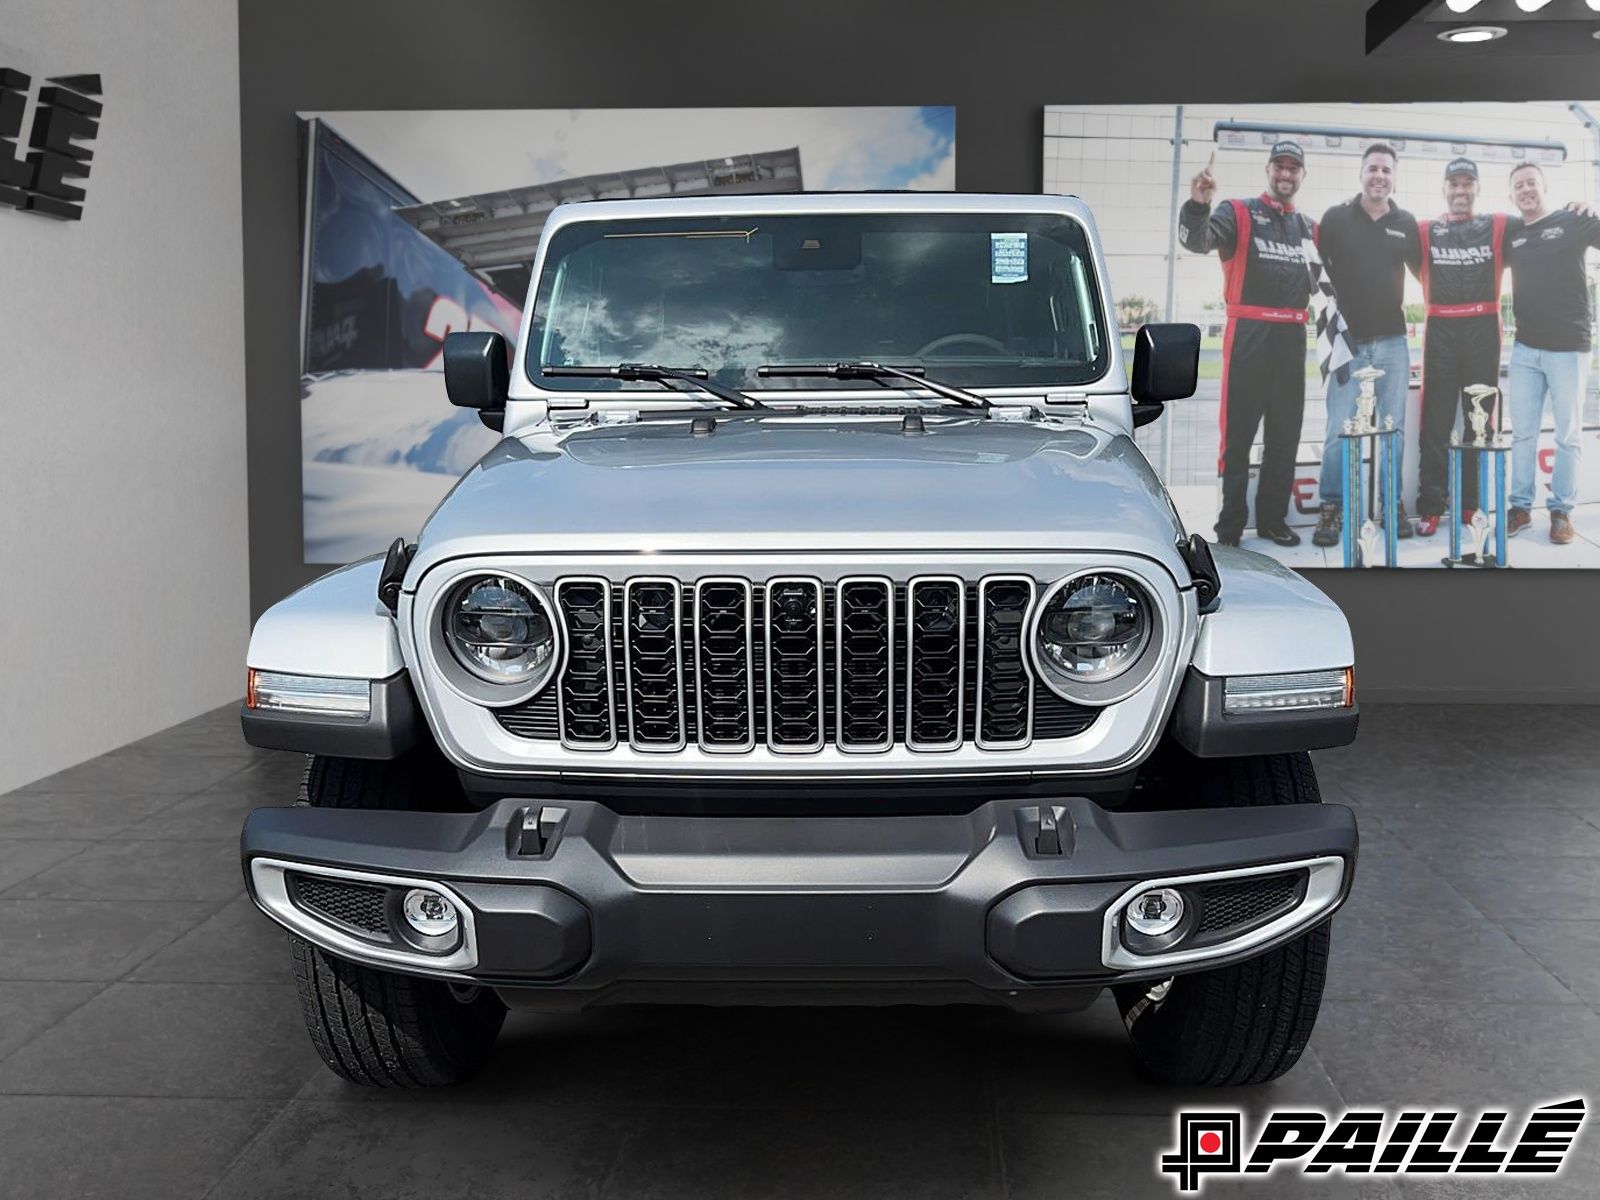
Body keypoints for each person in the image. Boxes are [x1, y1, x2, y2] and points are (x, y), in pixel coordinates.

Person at [1179, 141, 1315, 548]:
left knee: (1284, 435)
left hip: (1293, 339)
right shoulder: (1237, 211)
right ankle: (1231, 525)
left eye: (1294, 168)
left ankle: (1273, 519)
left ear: (1302, 175)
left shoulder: (1310, 227)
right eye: (1280, 166)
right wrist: (1198, 205)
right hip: (1249, 336)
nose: (1286, 174)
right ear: (1268, 170)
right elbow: (1197, 241)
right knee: (1237, 437)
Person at [1312, 143, 1421, 548]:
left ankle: (1390, 505)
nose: (1379, 176)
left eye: (1386, 170)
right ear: (1362, 173)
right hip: (1347, 341)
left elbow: (1429, 275)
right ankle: (1332, 505)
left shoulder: (1406, 222)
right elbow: (1314, 275)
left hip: (1393, 341)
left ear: (1394, 177)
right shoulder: (1336, 218)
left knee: (1391, 429)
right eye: (1373, 168)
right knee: (1339, 429)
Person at [1503, 162, 1600, 546]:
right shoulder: (1511, 234)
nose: (1526, 189)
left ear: (1545, 188)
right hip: (1525, 348)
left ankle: (1561, 511)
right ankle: (1521, 507)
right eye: (1518, 185)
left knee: (1567, 436)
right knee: (1522, 435)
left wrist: (1591, 207)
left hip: (1569, 348)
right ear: (1511, 195)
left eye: (1531, 183)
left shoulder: (1573, 219)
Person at [1412, 158, 1510, 538]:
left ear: (1477, 189)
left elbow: (1539, 228)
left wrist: (1576, 209)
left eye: (1467, 184)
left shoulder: (1499, 224)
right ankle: (1432, 505)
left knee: (1477, 424)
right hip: (1440, 330)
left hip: (1484, 330)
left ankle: (1470, 503)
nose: (1460, 191)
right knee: (1434, 424)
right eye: (1454, 184)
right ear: (1444, 189)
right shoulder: (1424, 230)